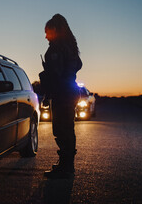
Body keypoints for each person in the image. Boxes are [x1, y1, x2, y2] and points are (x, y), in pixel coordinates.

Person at [41, 14, 82, 179]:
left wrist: (47, 92)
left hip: (62, 94)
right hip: (70, 92)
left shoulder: (57, 48)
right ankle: (67, 165)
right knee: (68, 130)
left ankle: (65, 167)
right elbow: (77, 65)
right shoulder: (70, 47)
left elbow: (55, 75)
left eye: (47, 31)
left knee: (61, 130)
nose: (45, 36)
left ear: (55, 30)